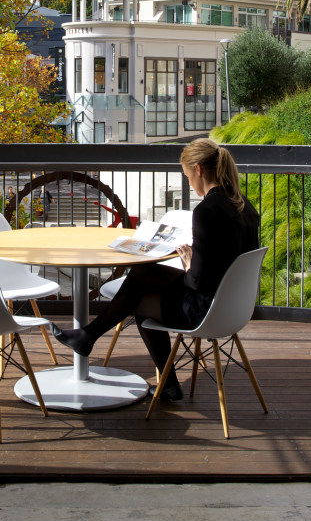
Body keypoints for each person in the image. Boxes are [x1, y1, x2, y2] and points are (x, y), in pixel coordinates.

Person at [51, 137, 260, 401]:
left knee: (140, 300)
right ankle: (88, 337)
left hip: (205, 308)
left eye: (186, 176)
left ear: (198, 169)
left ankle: (164, 382)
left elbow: (197, 282)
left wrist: (188, 263)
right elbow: (228, 263)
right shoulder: (244, 205)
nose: (189, 182)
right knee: (144, 274)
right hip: (234, 306)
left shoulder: (207, 211)